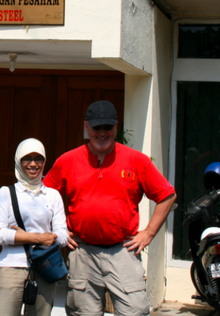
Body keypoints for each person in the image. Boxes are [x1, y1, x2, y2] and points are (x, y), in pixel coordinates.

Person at [43, 100, 176, 316]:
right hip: (82, 251)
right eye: (97, 128)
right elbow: (43, 197)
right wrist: (59, 230)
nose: (102, 133)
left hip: (123, 251)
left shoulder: (136, 160)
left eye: (108, 127)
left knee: (134, 311)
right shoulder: (68, 160)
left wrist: (149, 233)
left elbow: (167, 195)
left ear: (116, 127)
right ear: (87, 127)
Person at [0, 138, 69, 316]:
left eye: (38, 158)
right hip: (11, 268)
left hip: (45, 268)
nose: (33, 164)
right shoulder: (6, 193)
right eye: (27, 158)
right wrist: (39, 238)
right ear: (19, 161)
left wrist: (21, 236)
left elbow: (62, 235)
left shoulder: (52, 195)